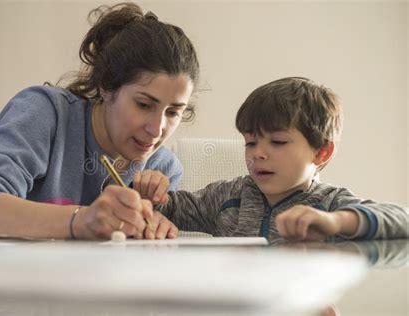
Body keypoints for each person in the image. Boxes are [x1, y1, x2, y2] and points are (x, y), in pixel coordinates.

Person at [0, 3, 199, 240]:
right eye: (144, 105)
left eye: (173, 112)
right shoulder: (46, 113)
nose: (156, 130)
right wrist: (81, 220)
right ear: (106, 87)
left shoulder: (163, 169)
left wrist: (154, 228)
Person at [144, 77, 408, 242]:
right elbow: (168, 208)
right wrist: (150, 192)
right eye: (250, 142)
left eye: (278, 142)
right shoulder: (229, 197)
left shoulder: (330, 204)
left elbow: (402, 219)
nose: (258, 153)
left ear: (321, 152)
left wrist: (337, 222)